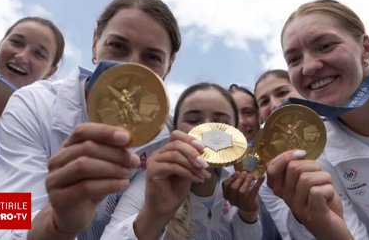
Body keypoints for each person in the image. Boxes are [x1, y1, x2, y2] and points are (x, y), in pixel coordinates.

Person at [0, 0, 181, 240]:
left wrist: (151, 219)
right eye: (117, 46)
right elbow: (2, 225)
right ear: (95, 41)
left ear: (169, 66)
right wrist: (58, 224)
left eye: (152, 57)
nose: (131, 67)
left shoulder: (163, 142)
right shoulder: (33, 104)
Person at [268, 0, 369, 239]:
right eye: (294, 59)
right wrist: (326, 228)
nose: (309, 67)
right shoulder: (315, 159)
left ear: (365, 48)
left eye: (325, 46)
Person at [101, 82, 263, 239]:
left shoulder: (238, 185)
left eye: (221, 123)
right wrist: (153, 216)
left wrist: (248, 214)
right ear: (175, 130)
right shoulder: (153, 181)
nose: (206, 130)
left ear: (236, 134)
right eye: (193, 120)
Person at [0, 16, 65, 221]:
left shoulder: (46, 142)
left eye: (39, 54)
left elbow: (8, 222)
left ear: (50, 72)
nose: (22, 55)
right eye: (16, 42)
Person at [229, 83, 283, 240]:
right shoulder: (216, 173)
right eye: (232, 114)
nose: (240, 122)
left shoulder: (282, 153)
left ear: (259, 116)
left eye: (248, 112)